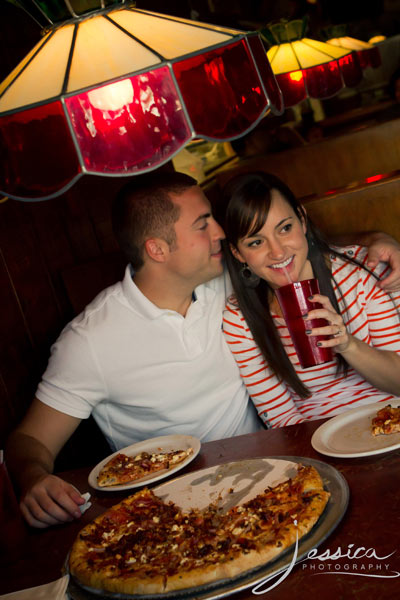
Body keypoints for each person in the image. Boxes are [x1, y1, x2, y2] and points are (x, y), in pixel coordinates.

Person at [5, 171, 400, 529]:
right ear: (158, 250)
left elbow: (289, 248)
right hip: (174, 505)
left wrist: (375, 240)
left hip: (268, 475)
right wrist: (35, 478)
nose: (221, 232)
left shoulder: (225, 284)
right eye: (203, 224)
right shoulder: (90, 340)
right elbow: (30, 441)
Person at [222, 171, 400, 429]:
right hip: (316, 439)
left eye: (285, 228)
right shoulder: (240, 319)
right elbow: (282, 420)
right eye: (256, 241)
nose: (278, 251)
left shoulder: (360, 274)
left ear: (302, 221)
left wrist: (347, 344)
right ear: (237, 253)